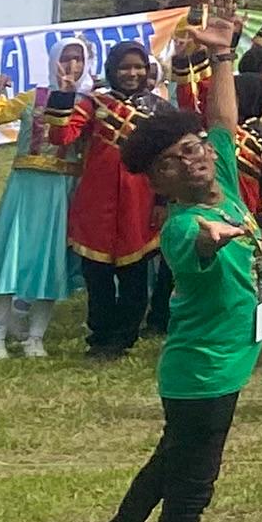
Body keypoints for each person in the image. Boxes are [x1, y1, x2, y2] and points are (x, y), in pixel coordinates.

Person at [75, 23, 256, 522]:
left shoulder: (222, 182)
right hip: (202, 373)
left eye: (195, 145)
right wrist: (211, 242)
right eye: (177, 156)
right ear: (159, 180)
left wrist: (224, 54)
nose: (196, 154)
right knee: (190, 488)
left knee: (170, 459)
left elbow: (225, 123)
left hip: (222, 364)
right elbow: (191, 255)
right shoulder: (182, 226)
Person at [0, 47, 84, 358]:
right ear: (52, 60)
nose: (71, 65)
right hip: (25, 187)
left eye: (79, 59)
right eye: (66, 58)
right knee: (9, 256)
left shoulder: (88, 103)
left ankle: (35, 337)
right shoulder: (34, 97)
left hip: (62, 190)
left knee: (50, 261)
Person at [65, 38, 171, 355]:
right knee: (97, 278)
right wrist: (64, 93)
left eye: (139, 67)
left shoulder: (159, 109)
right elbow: (63, 135)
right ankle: (100, 336)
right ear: (113, 69)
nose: (132, 73)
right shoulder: (92, 104)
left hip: (141, 204)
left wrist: (163, 202)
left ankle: (124, 338)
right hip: (96, 205)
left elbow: (168, 160)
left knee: (134, 278)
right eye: (125, 67)